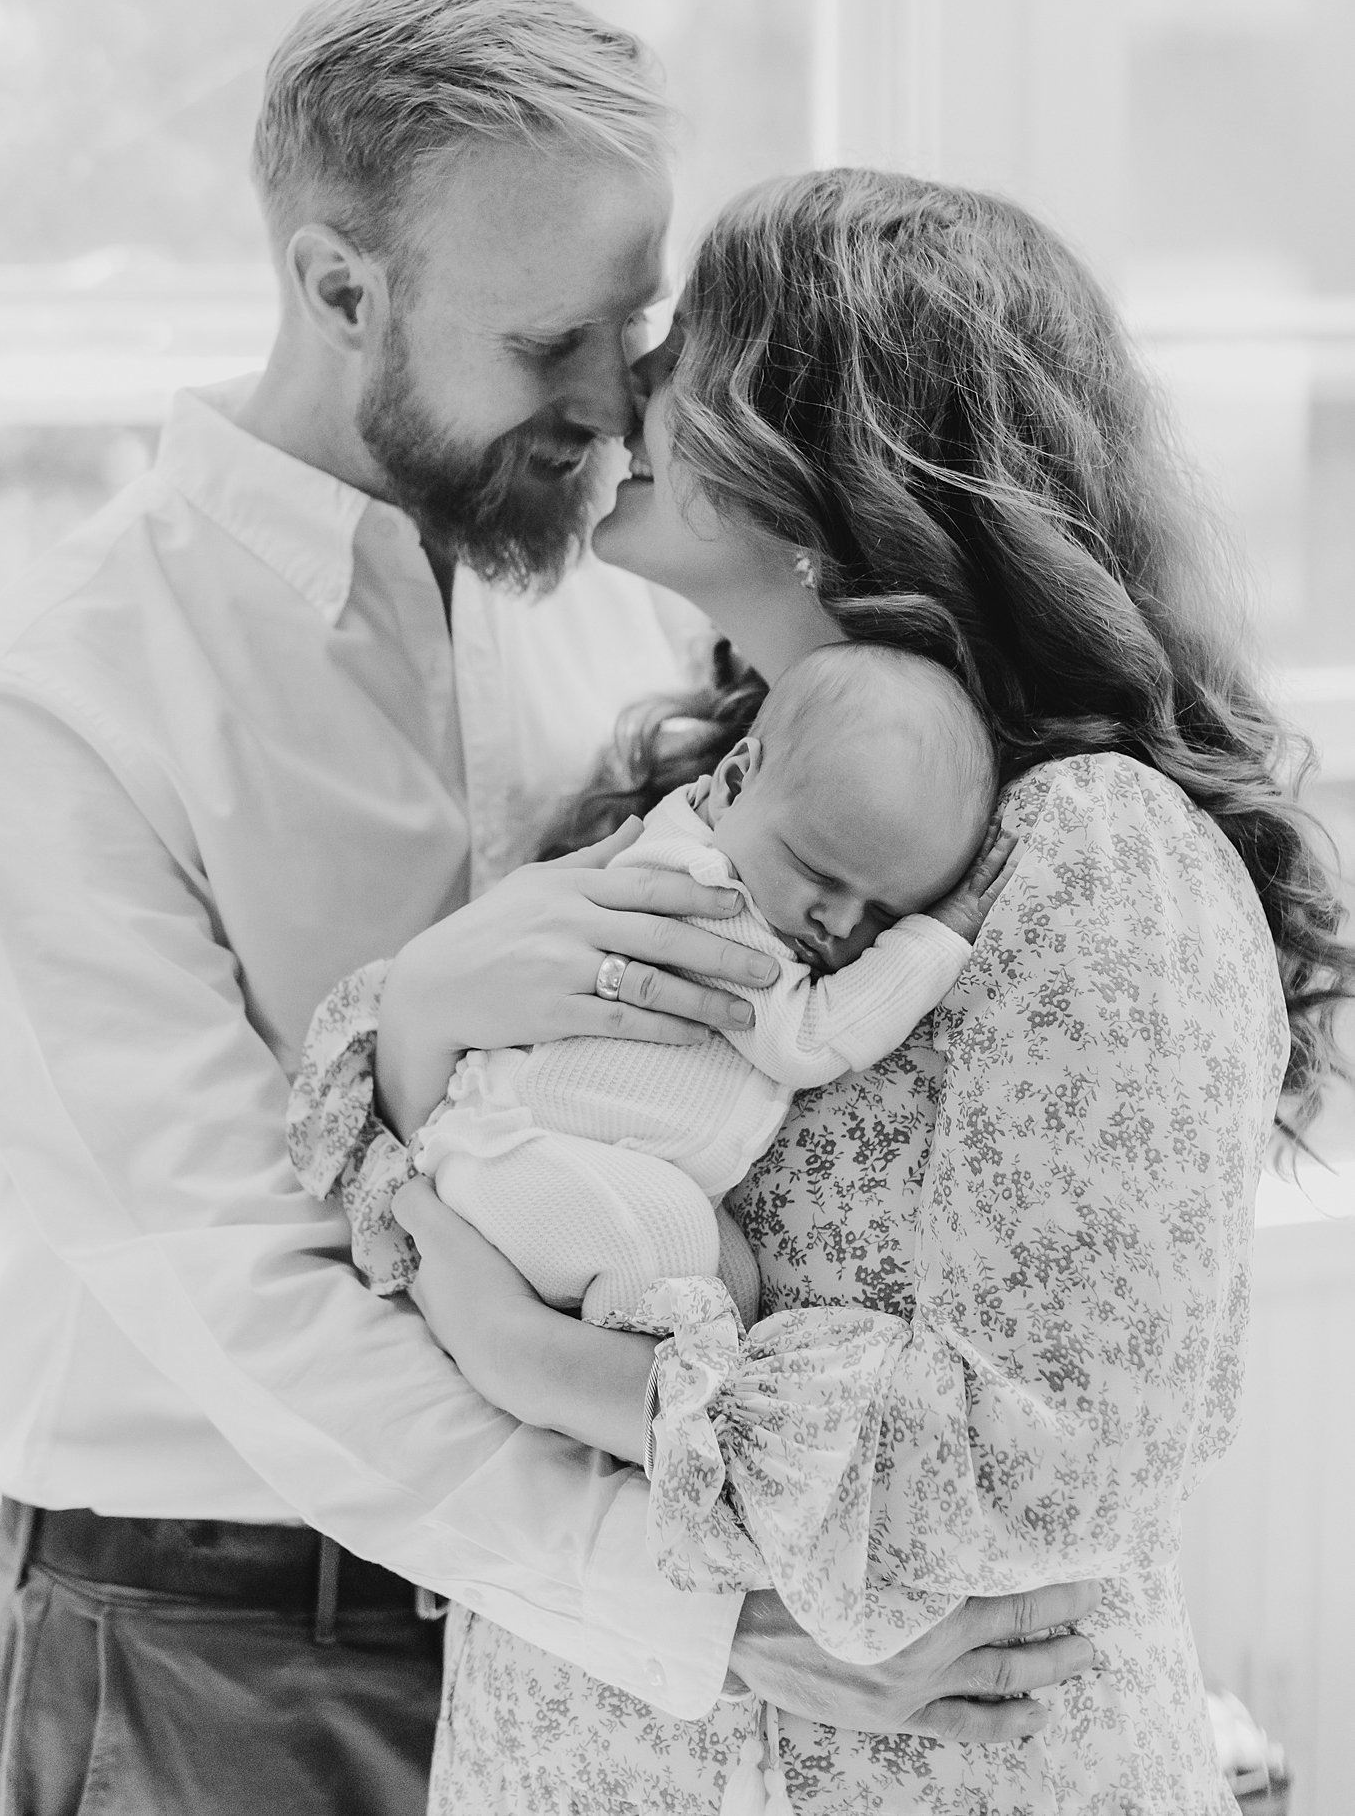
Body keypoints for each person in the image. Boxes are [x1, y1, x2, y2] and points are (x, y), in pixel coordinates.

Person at [0, 0, 1096, 1816]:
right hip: (217, 1644)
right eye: (553, 339)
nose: (618, 400)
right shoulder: (60, 701)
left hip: (572, 1643)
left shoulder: (627, 596)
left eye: (636, 326)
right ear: (336, 287)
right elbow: (244, 1287)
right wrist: (703, 1599)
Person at [308, 168, 1354, 1812]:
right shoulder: (696, 793)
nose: (620, 392)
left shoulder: (1088, 855)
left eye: (689, 355)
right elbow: (403, 1202)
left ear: (821, 471)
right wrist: (427, 1013)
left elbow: (1055, 1456)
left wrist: (541, 1362)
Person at [292, 643, 1011, 1332]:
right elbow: (806, 1042)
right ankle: (595, 1373)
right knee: (664, 1238)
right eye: (820, 873)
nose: (841, 924)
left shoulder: (749, 845)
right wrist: (935, 936)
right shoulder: (707, 893)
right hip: (519, 1155)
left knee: (730, 1283)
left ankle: (632, 1376)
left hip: (573, 1166)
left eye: (887, 913)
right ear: (732, 785)